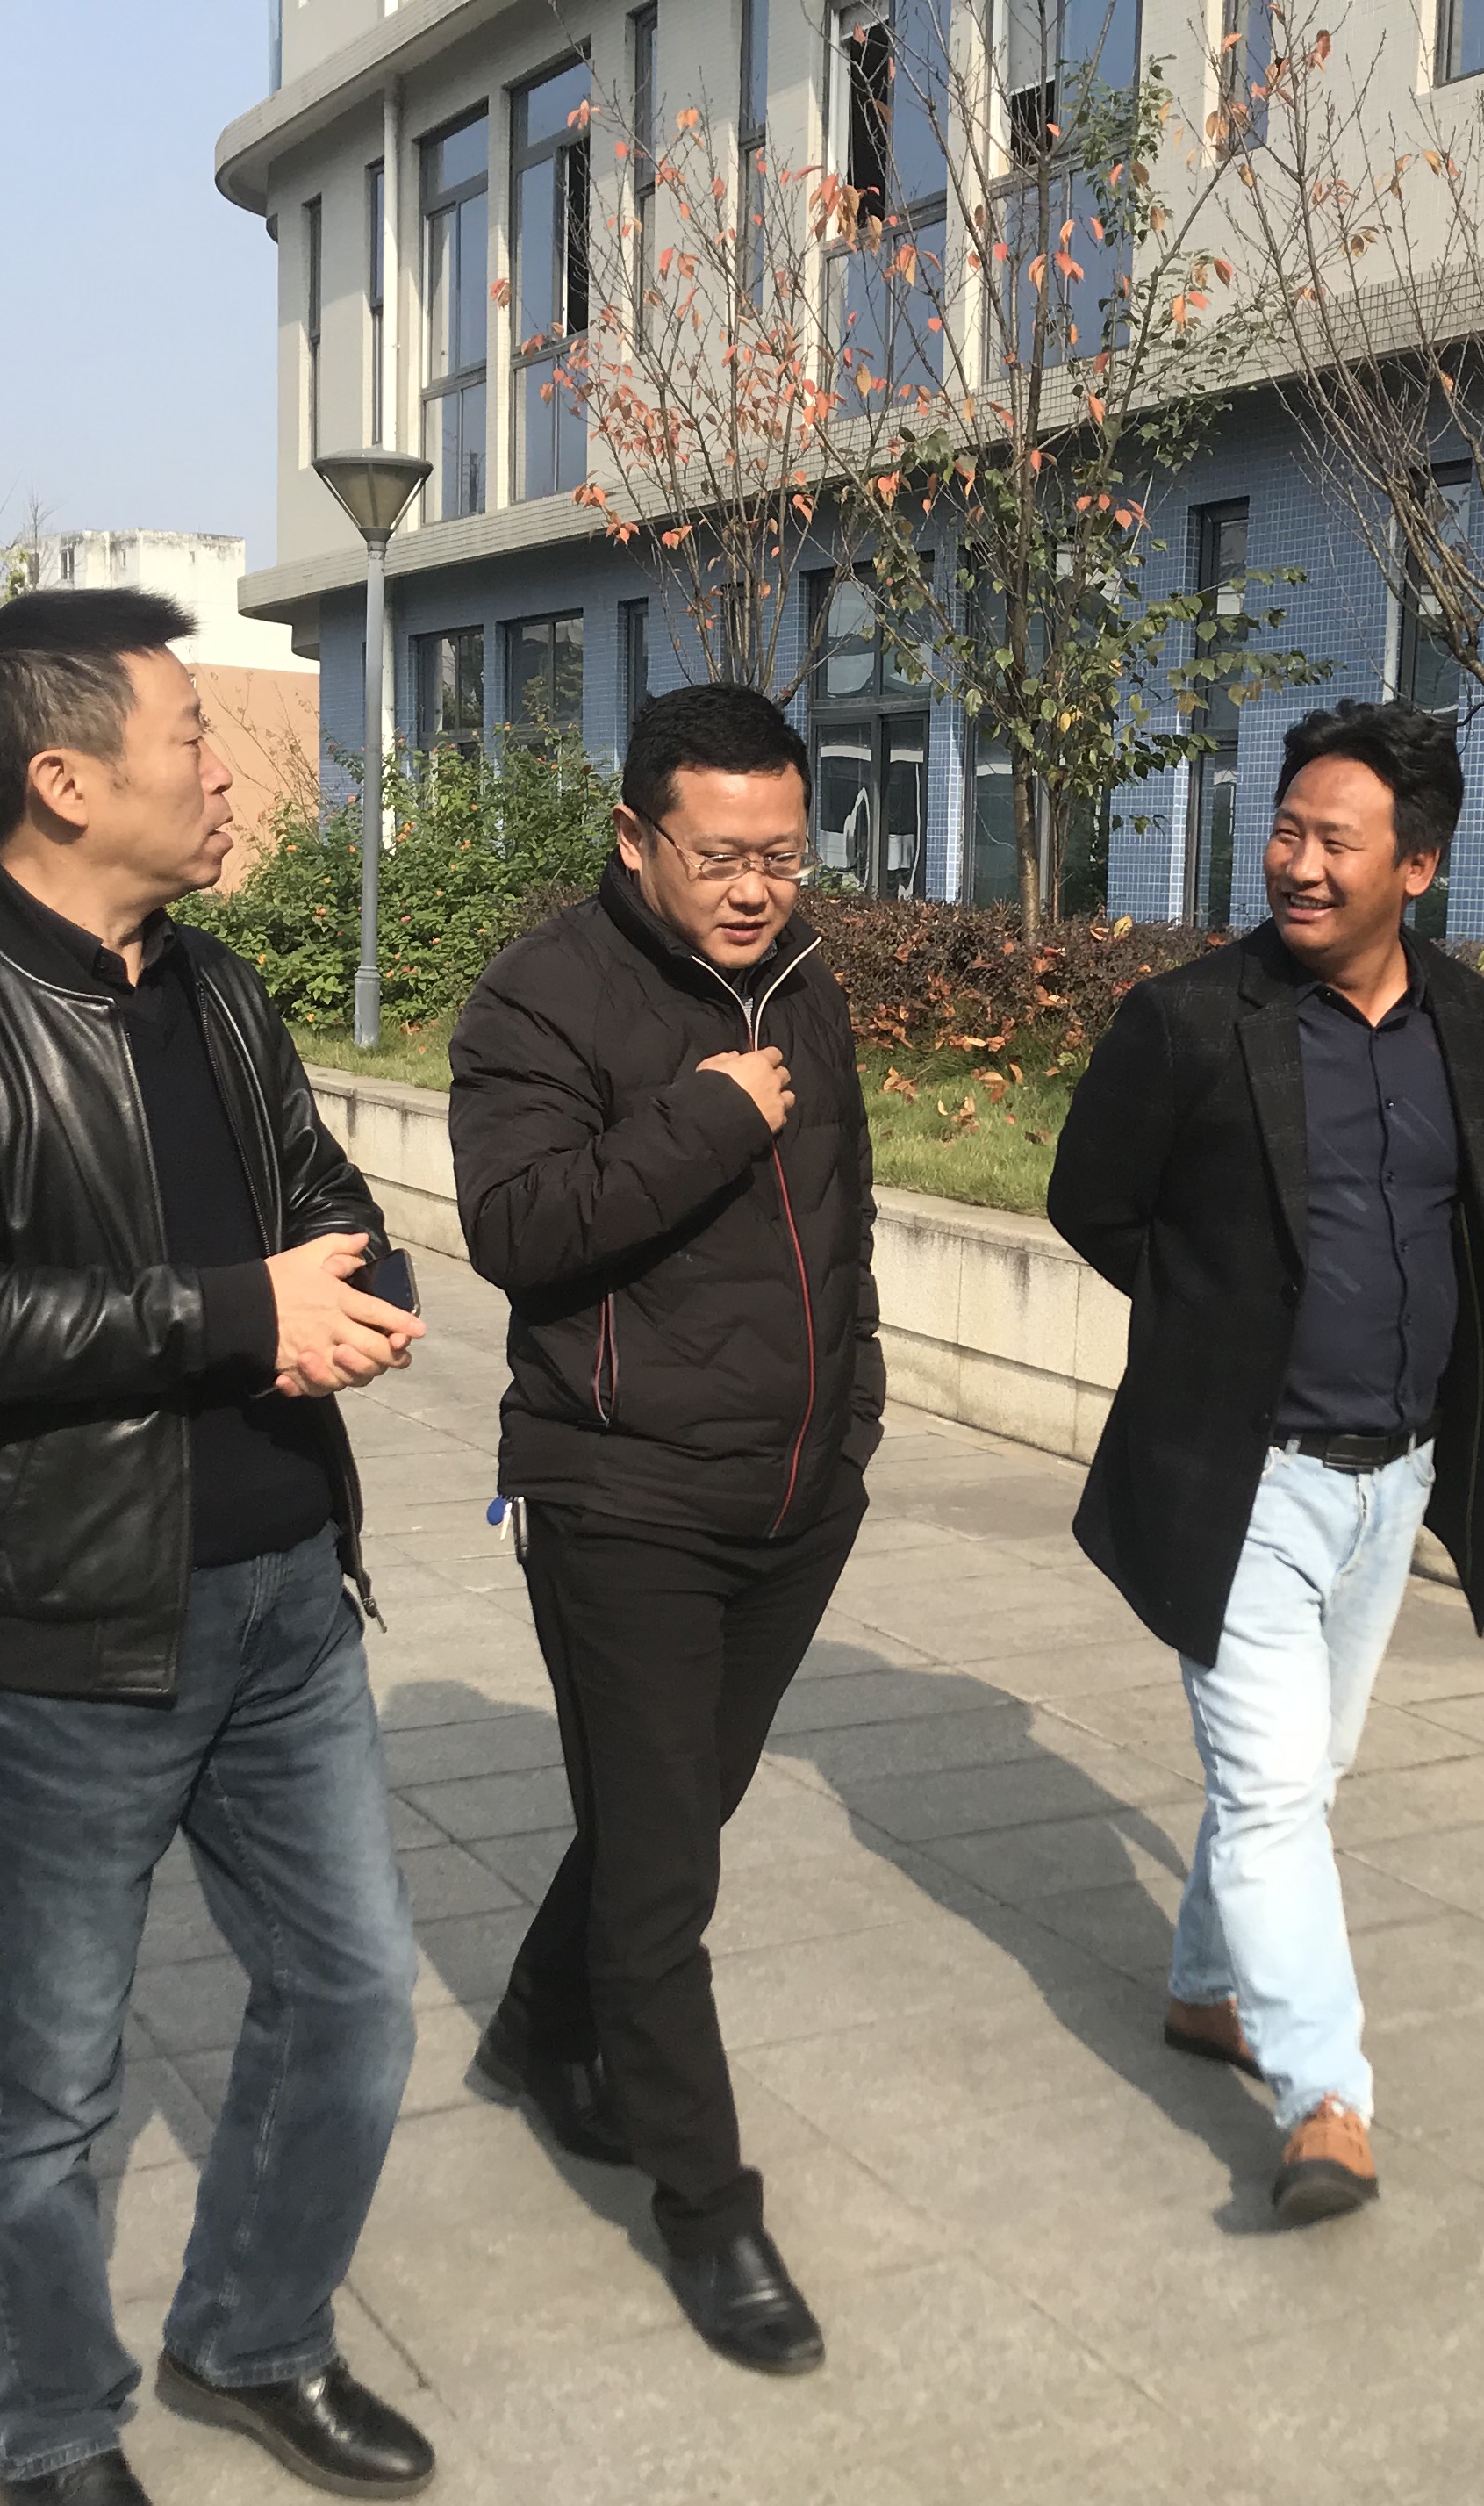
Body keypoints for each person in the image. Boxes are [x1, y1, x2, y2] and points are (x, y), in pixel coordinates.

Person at [0, 588, 434, 2506]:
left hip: (284, 1600)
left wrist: (362, 1290)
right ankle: (54, 2430)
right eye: (188, 737)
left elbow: (319, 1198)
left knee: (354, 1999)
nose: (223, 773)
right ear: (65, 780)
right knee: (48, 2085)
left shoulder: (215, 989)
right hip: (64, 1631)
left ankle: (252, 2332)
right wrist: (235, 1316)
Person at [445, 679, 881, 2374]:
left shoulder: (804, 979)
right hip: (622, 1494)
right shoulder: (539, 996)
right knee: (665, 1881)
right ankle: (709, 2212)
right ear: (634, 835)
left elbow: (838, 1226)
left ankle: (537, 2029)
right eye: (722, 854)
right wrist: (704, 1113)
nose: (758, 886)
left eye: (784, 852)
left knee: (669, 1815)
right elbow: (515, 1227)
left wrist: (850, 1428)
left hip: (794, 1495)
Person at [1045, 699, 1484, 2225]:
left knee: (1306, 1772)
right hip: (1245, 1475)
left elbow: (1457, 1217)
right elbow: (1089, 1201)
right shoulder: (1188, 1022)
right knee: (1269, 1791)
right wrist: (1212, 1328)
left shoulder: (1465, 1019)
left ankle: (1204, 1985)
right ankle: (1324, 2100)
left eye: (1337, 841)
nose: (1298, 863)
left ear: (1417, 866)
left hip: (1395, 1474)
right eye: (1286, 831)